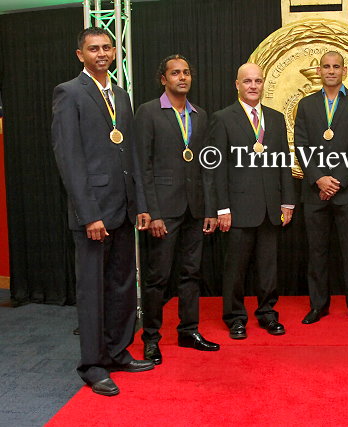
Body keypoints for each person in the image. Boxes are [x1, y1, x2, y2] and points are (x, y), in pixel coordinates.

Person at [51, 27, 154, 396]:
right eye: (93, 49)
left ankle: (117, 352)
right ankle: (92, 365)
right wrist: (88, 214)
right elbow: (69, 159)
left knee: (122, 287)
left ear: (114, 52)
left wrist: (140, 204)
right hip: (93, 214)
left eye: (107, 48)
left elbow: (132, 154)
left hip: (123, 210)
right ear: (80, 55)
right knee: (93, 291)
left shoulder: (121, 95)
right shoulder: (69, 93)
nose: (102, 54)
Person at [135, 55, 220, 365]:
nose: (182, 77)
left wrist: (210, 208)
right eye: (175, 73)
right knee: (157, 277)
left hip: (195, 209)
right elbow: (142, 166)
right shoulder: (148, 112)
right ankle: (151, 338)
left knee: (191, 274)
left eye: (186, 72)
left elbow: (208, 165)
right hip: (164, 210)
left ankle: (188, 331)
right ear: (163, 79)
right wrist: (152, 211)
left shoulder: (200, 115)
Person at [211, 63, 295, 339]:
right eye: (247, 81)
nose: (253, 86)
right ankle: (235, 317)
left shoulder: (276, 118)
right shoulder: (223, 118)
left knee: (268, 268)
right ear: (237, 84)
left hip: (271, 207)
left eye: (258, 81)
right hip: (237, 209)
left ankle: (268, 313)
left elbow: (284, 162)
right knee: (235, 269)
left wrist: (288, 202)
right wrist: (222, 208)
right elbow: (217, 169)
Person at [294, 51, 348, 327]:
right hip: (315, 191)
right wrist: (319, 179)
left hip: (347, 191)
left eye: (336, 66)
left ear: (344, 71)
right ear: (319, 71)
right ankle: (318, 306)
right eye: (326, 66)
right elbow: (301, 146)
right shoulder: (306, 105)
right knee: (316, 252)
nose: (331, 71)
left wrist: (336, 180)